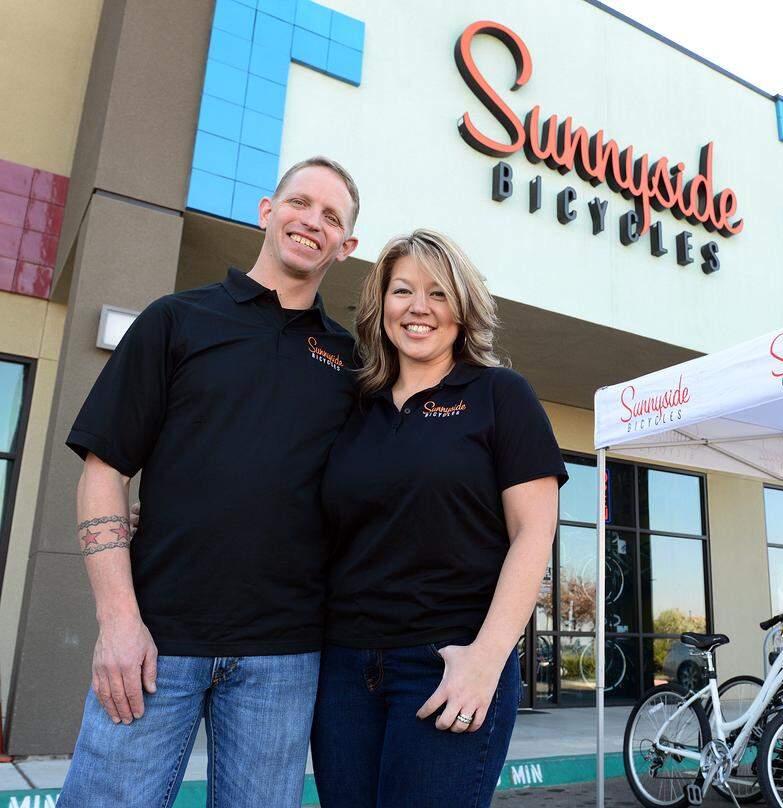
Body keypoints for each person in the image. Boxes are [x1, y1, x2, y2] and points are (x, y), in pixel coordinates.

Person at [58, 157, 361, 808]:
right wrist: (117, 621)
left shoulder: (351, 365)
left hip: (284, 657)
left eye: (331, 217)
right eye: (299, 203)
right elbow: (104, 470)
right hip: (154, 642)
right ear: (267, 211)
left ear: (346, 245)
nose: (312, 221)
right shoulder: (176, 320)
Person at [310, 229, 566, 807]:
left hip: (448, 662)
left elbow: (533, 534)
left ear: (463, 307)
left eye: (438, 293)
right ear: (381, 305)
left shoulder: (501, 395)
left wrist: (486, 661)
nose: (418, 307)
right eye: (403, 290)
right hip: (345, 669)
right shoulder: (355, 405)